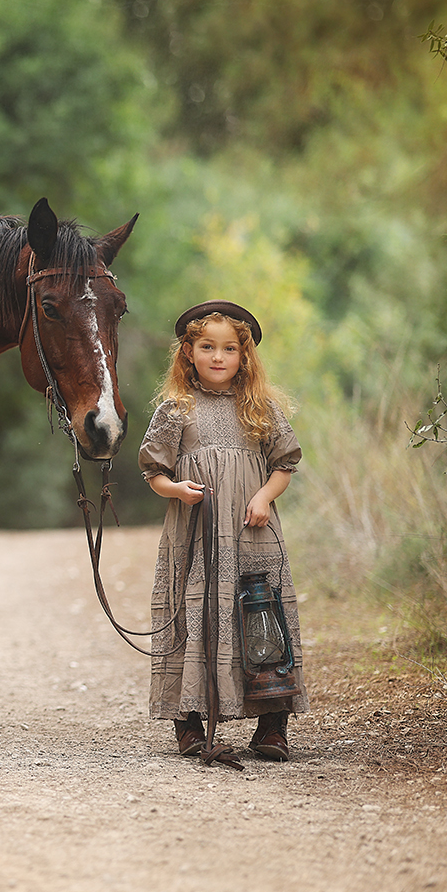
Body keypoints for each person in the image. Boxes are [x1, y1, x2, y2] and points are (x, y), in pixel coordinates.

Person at [138, 300, 308, 762]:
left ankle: (272, 723)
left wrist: (264, 497)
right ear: (188, 352)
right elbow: (154, 473)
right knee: (194, 613)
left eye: (229, 348)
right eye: (207, 347)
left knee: (261, 612)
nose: (218, 357)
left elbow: (284, 464)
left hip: (252, 530)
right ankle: (190, 722)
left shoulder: (260, 408)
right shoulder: (176, 410)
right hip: (196, 533)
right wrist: (177, 490)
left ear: (243, 355)